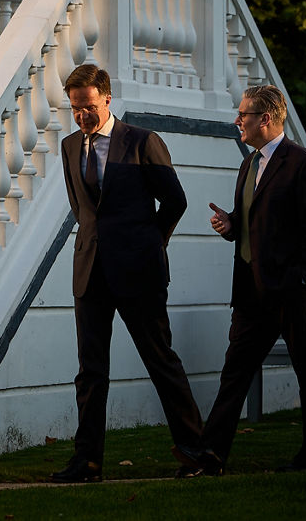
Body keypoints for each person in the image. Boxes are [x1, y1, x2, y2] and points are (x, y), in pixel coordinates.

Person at [51, 64, 208, 483]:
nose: (82, 115)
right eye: (75, 108)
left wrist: (150, 244)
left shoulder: (142, 142)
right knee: (90, 371)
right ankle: (87, 462)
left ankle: (195, 451)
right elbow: (82, 209)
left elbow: (175, 201)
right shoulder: (69, 147)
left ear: (106, 97)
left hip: (139, 271)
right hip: (89, 272)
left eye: (88, 106)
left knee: (161, 361)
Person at [202, 83, 306, 474]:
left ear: (267, 118)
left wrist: (301, 282)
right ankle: (211, 455)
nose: (237, 120)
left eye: (244, 114)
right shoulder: (249, 163)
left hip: (291, 292)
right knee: (234, 372)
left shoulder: (302, 164)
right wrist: (230, 224)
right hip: (250, 291)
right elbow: (251, 223)